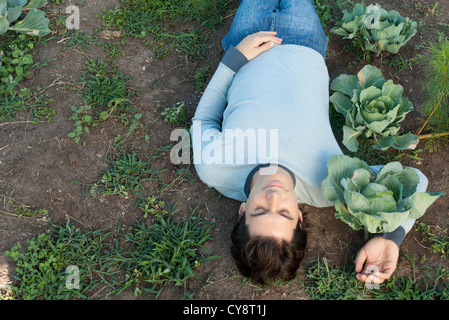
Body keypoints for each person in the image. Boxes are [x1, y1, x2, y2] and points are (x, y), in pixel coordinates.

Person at [190, 0, 428, 285]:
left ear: (242, 210)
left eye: (260, 210)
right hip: (305, 42)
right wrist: (392, 237)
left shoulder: (215, 169)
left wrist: (234, 59)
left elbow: (204, 121)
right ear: (300, 219)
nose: (274, 197)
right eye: (284, 213)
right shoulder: (329, 184)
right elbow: (414, 178)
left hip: (246, 39)